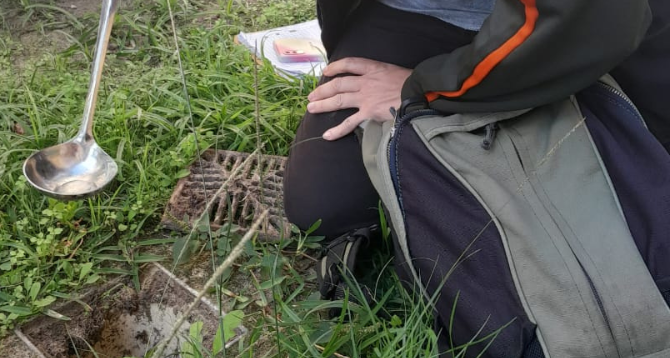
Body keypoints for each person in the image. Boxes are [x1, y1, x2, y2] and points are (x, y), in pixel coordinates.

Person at [283, 0, 670, 242]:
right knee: (322, 211)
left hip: (578, 27)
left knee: (626, 214)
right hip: (415, 13)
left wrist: (422, 89)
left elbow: (593, 16)